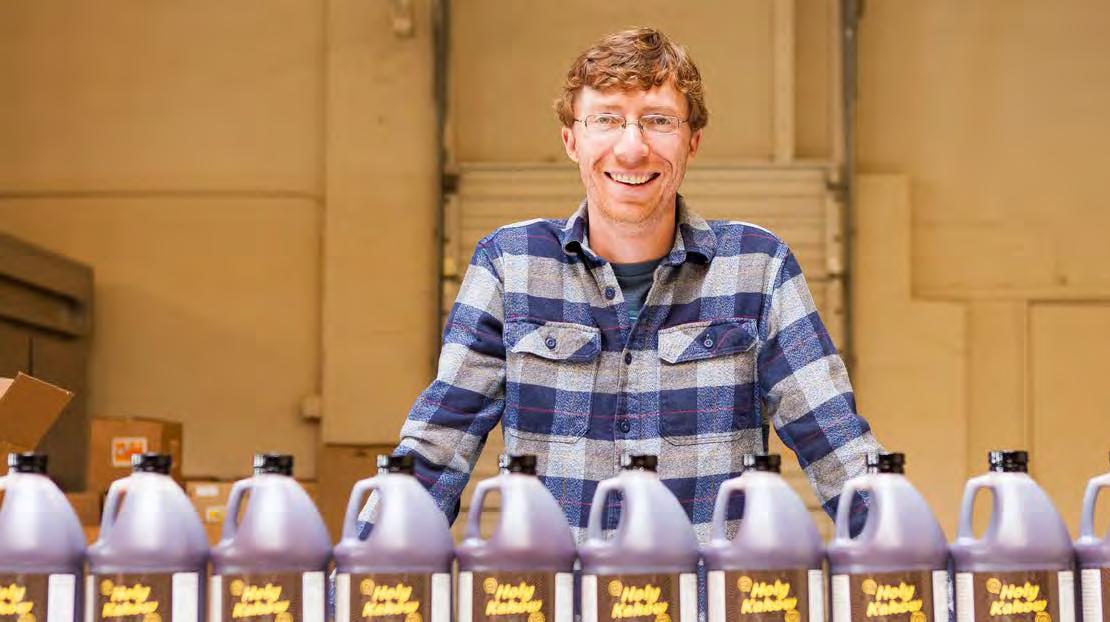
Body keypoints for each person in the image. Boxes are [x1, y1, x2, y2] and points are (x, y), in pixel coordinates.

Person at [359, 27, 880, 542]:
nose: (632, 149)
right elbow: (437, 445)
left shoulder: (758, 267)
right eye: (606, 119)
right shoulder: (509, 265)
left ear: (693, 141)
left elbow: (836, 444)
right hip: (554, 595)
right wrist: (361, 571)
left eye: (659, 121)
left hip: (704, 596)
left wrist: (898, 554)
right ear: (571, 140)